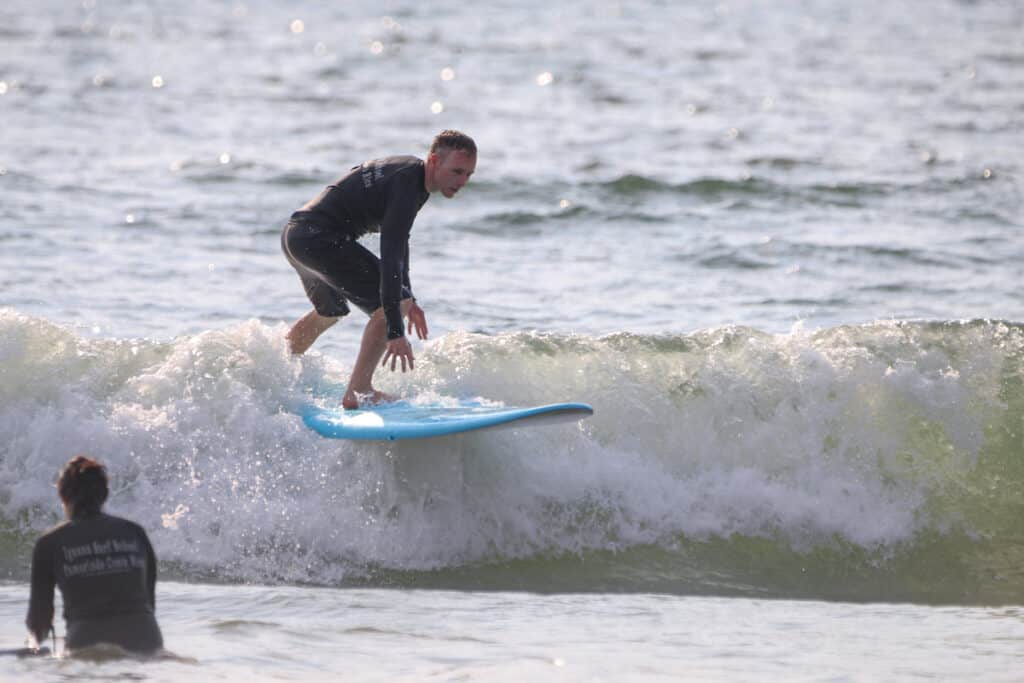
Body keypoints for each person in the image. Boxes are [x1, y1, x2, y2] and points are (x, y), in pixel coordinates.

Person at [282, 129, 477, 409]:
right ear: (434, 161)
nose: (462, 181)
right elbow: (391, 255)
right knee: (391, 305)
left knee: (331, 311)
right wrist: (396, 329)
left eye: (468, 174)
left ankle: (277, 370)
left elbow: (400, 244)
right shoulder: (408, 187)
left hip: (296, 236)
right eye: (457, 171)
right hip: (320, 239)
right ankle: (358, 392)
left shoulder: (410, 175)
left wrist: (409, 296)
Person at [26, 456, 163, 655]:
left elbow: (40, 621)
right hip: (147, 640)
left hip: (86, 642)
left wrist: (35, 647)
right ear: (104, 495)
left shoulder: (50, 543)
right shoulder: (135, 533)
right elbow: (149, 604)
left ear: (63, 496)